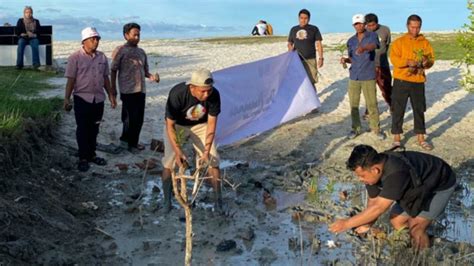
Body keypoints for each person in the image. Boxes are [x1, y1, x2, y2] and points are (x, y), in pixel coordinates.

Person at [329, 145, 456, 250]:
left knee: (416, 227)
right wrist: (367, 224)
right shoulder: (373, 174)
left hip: (440, 184)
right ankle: (421, 242)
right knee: (396, 221)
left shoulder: (396, 173)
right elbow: (373, 202)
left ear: (375, 170)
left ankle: (422, 256)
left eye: (362, 176)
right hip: (417, 185)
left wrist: (346, 223)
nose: (360, 179)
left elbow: (379, 208)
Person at [161, 69, 222, 213]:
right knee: (169, 162)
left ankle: (218, 201)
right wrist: (177, 151)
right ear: (192, 87)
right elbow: (169, 125)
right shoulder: (177, 94)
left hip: (201, 125)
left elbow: (212, 124)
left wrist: (206, 151)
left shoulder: (214, 95)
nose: (206, 94)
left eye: (209, 90)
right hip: (178, 126)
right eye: (202, 91)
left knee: (213, 160)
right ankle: (167, 202)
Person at [64, 27, 117, 172]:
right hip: (82, 98)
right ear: (84, 41)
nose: (96, 42)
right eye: (93, 39)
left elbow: (105, 78)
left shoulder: (102, 57)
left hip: (98, 99)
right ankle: (82, 157)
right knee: (82, 129)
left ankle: (92, 154)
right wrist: (66, 99)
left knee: (95, 128)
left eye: (97, 39)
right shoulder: (75, 57)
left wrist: (111, 96)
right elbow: (71, 80)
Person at [111, 23, 159, 153]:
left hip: (141, 90)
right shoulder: (120, 50)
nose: (137, 37)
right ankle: (124, 142)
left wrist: (152, 77)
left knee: (139, 118)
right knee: (128, 119)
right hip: (127, 90)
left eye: (138, 34)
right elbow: (113, 70)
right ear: (126, 35)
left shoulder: (141, 52)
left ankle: (134, 143)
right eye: (134, 34)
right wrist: (113, 89)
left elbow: (145, 71)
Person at [390, 15, 435, 150]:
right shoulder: (399, 42)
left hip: (418, 81)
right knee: (398, 109)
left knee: (419, 109)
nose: (415, 30)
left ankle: (421, 138)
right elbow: (394, 59)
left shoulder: (425, 42)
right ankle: (397, 138)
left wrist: (427, 63)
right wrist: (407, 62)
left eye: (418, 27)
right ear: (407, 26)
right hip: (401, 80)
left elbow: (431, 59)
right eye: (412, 27)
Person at [340, 14, 384, 140]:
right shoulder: (350, 41)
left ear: (364, 24)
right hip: (354, 76)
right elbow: (352, 59)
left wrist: (364, 47)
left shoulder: (372, 35)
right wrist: (345, 60)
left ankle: (376, 128)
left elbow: (374, 46)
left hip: (368, 75)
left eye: (360, 23)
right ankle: (356, 128)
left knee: (372, 104)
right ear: (353, 26)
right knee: (353, 104)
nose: (358, 26)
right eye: (356, 24)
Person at [363, 13, 392, 118]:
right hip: (368, 66)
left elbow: (387, 45)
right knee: (369, 90)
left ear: (377, 23)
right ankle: (369, 111)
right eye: (368, 26)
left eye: (373, 25)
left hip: (382, 64)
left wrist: (381, 56)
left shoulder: (385, 30)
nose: (371, 28)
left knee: (386, 87)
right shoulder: (364, 32)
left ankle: (391, 106)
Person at [287, 9, 324, 87]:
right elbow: (289, 43)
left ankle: (312, 98)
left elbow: (319, 44)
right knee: (298, 82)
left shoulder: (314, 29)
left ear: (309, 19)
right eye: (301, 18)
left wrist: (321, 58)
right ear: (298, 18)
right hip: (297, 60)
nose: (303, 20)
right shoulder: (293, 29)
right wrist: (290, 48)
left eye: (306, 18)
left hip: (310, 59)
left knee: (311, 82)